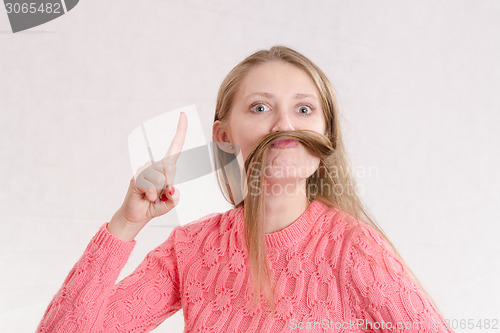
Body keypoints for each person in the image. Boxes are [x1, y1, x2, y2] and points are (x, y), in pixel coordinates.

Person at [36, 46, 454, 332]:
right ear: (223, 136)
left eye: (304, 109)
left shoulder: (353, 248)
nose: (284, 125)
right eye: (260, 107)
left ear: (325, 136)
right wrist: (124, 225)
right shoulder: (191, 248)